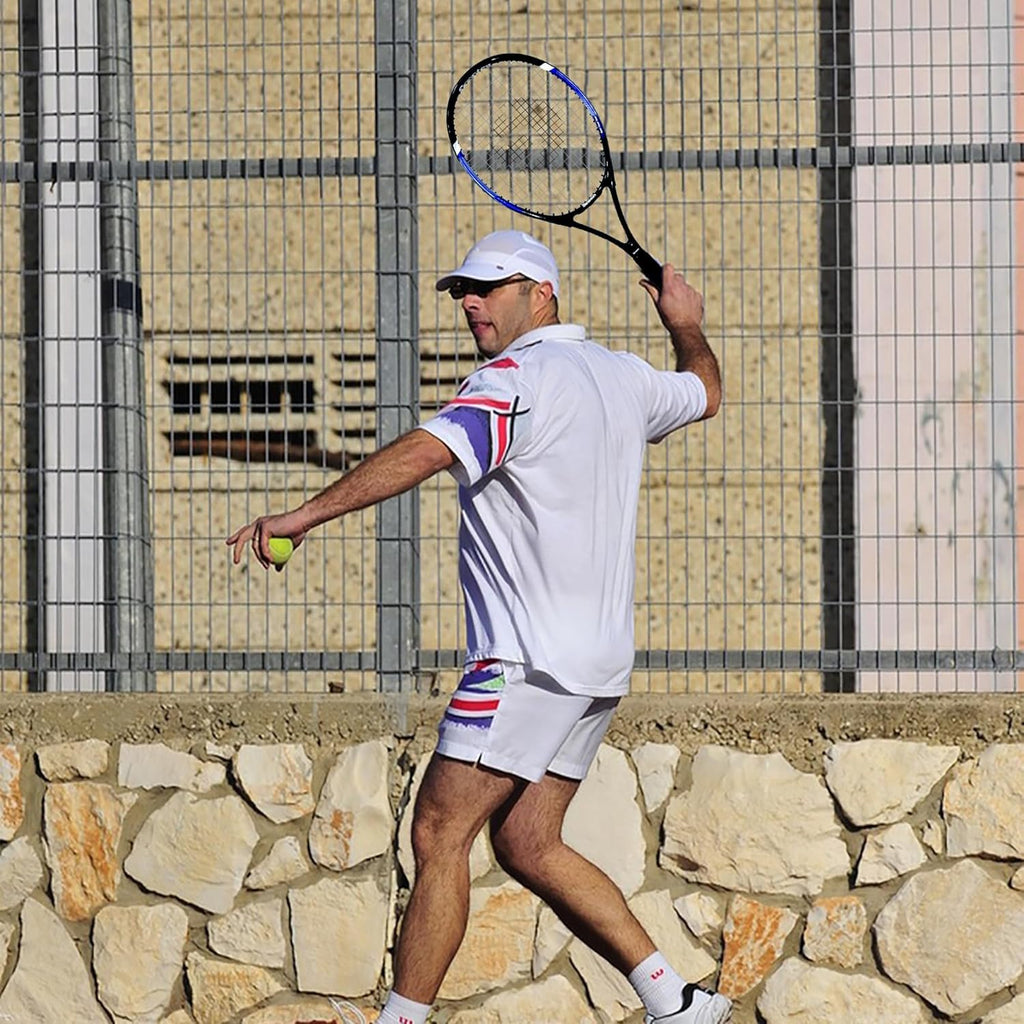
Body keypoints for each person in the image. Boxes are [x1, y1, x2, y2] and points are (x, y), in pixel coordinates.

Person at [228, 229, 730, 1024]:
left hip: (524, 663)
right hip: (596, 667)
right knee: (528, 842)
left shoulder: (513, 381)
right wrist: (686, 323)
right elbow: (704, 389)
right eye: (464, 289)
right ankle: (676, 1002)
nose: (469, 302)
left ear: (542, 294)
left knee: (438, 833)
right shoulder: (624, 376)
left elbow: (425, 452)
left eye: (489, 287)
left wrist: (304, 515)